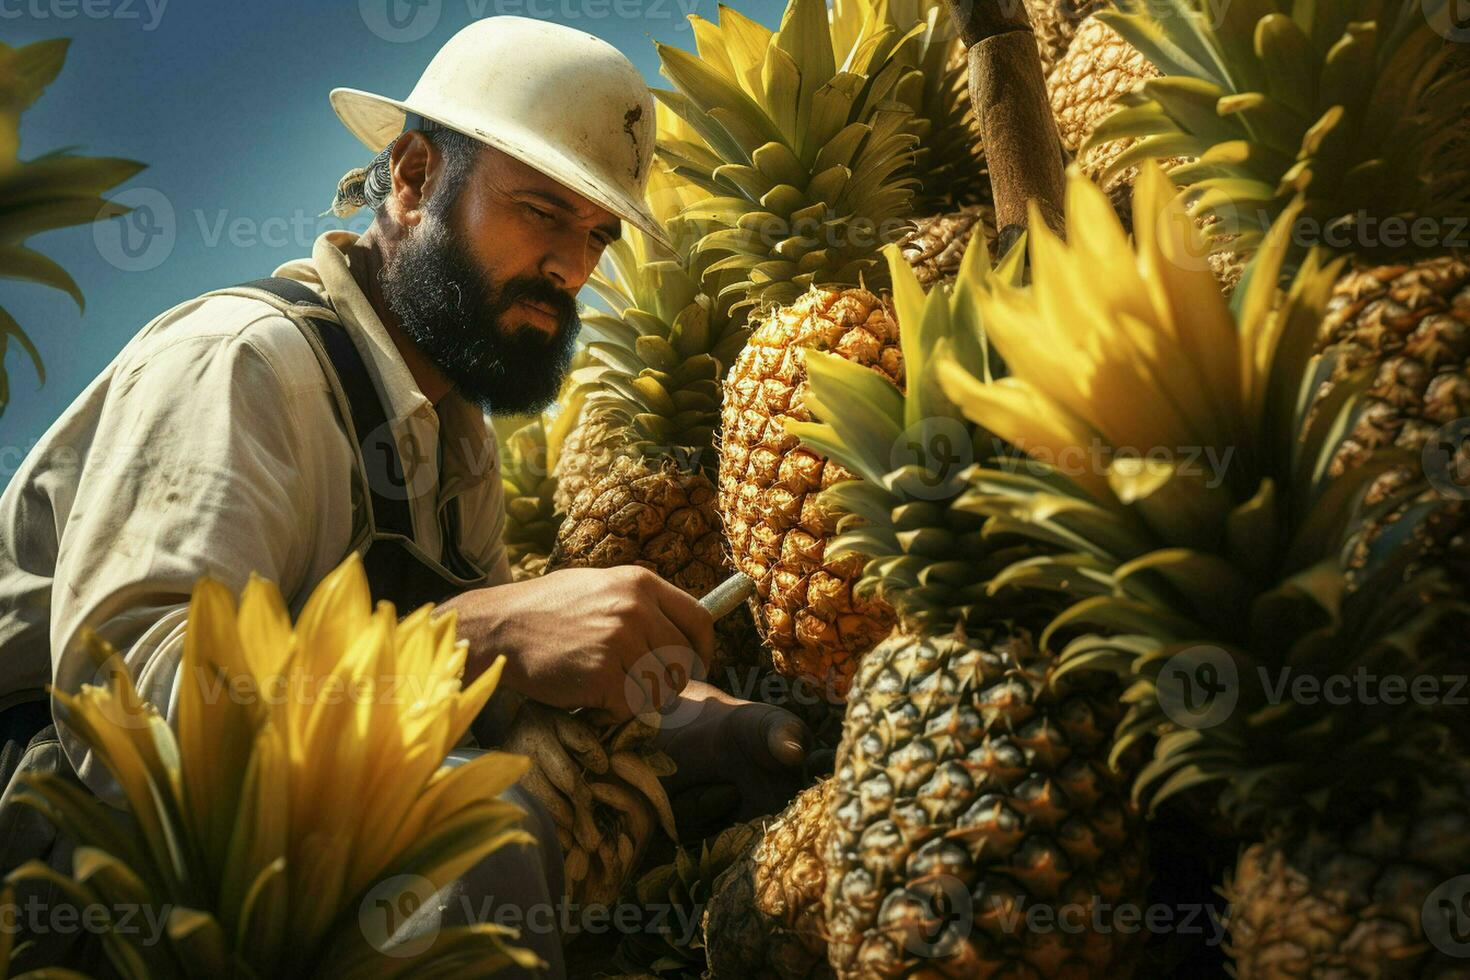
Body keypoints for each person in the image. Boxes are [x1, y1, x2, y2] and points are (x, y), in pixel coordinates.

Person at [0, 17, 807, 976]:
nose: (575, 268)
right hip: (72, 883)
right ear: (417, 177)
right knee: (473, 827)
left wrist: (713, 725)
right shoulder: (245, 364)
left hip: (276, 878)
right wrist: (489, 630)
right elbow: (123, 706)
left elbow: (467, 697)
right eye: (543, 211)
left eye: (596, 235)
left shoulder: (453, 446)